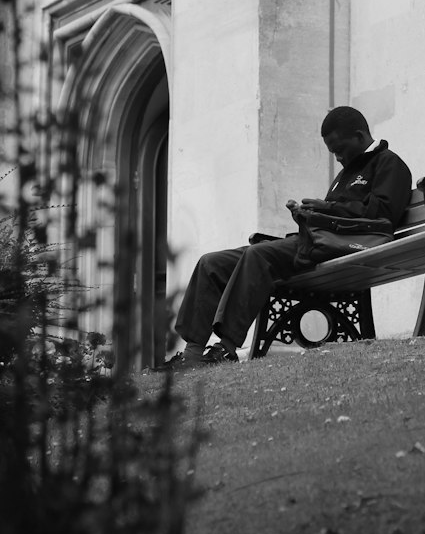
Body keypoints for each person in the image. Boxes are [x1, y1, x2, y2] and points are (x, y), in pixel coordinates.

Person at [171, 106, 412, 366]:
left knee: (258, 255)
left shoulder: (389, 163)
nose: (337, 157)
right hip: (315, 242)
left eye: (340, 149)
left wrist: (325, 209)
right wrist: (307, 215)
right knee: (212, 262)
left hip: (348, 247)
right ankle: (192, 354)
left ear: (359, 135)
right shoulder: (345, 173)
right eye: (332, 152)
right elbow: (336, 217)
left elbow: (383, 216)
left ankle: (226, 348)